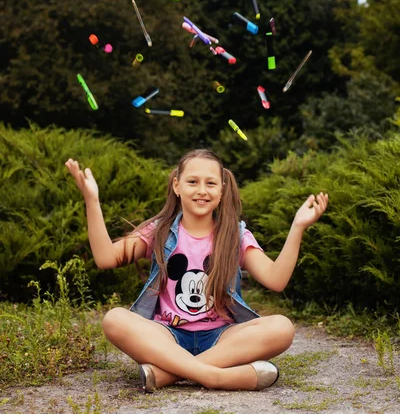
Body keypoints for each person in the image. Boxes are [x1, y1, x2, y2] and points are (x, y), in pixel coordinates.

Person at [65, 148, 328, 393]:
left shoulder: (234, 235)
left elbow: (276, 279)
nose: (202, 190)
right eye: (192, 182)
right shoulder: (159, 231)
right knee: (114, 319)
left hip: (221, 338)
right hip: (167, 335)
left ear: (222, 190)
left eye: (210, 183)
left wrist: (297, 227)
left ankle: (169, 374)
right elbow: (105, 258)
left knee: (281, 327)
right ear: (176, 186)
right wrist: (92, 200)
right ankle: (215, 376)